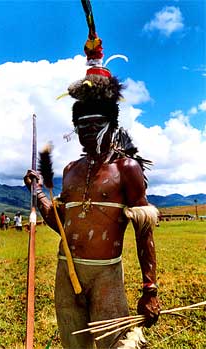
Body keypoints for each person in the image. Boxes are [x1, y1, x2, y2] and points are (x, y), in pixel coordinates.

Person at [24, 37, 160, 349]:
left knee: (116, 345)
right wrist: (40, 194)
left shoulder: (127, 169)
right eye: (81, 124)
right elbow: (60, 223)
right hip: (66, 272)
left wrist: (149, 290)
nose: (86, 130)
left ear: (111, 124)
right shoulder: (71, 169)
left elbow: (144, 234)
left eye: (94, 123)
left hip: (107, 277)